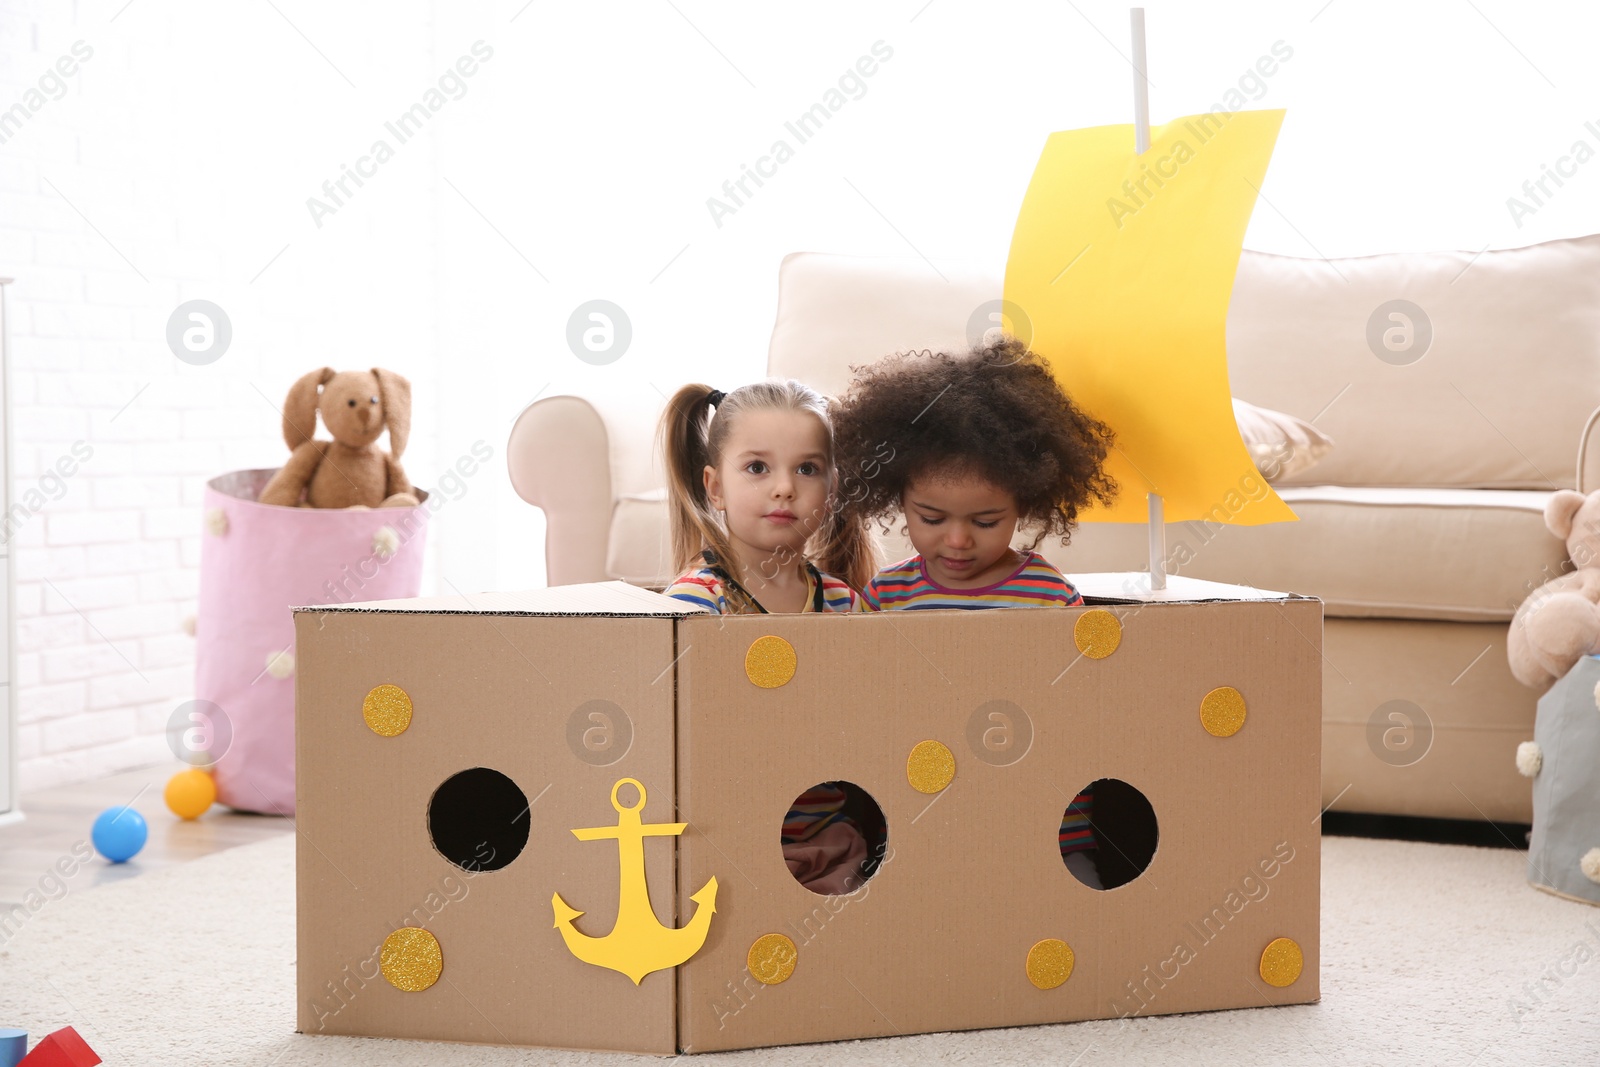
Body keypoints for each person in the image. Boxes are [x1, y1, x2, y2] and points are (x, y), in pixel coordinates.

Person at [832, 336, 1119, 886]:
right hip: (916, 788)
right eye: (932, 518)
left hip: (1032, 790)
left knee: (1066, 882)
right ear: (897, 501)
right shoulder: (885, 598)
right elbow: (857, 699)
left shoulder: (1046, 593)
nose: (958, 540)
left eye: (986, 522)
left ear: (1025, 505)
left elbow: (1084, 700)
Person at [658, 379, 878, 895]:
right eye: (757, 468)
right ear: (714, 487)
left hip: (833, 839)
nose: (784, 487)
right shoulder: (696, 603)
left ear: (832, 486)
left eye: (807, 469)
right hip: (723, 842)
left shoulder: (846, 605)